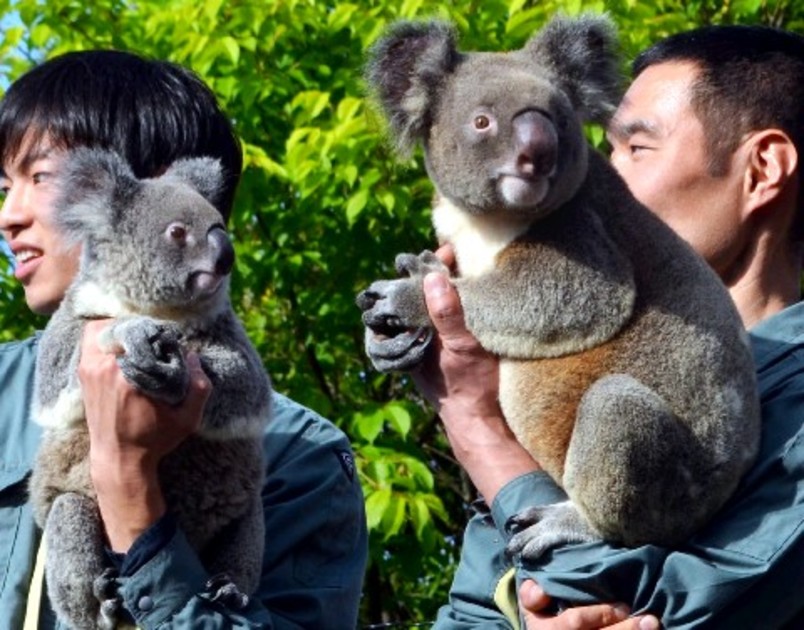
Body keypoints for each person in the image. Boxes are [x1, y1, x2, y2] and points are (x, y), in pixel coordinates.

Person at [416, 23, 804, 630]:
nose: (594, 166)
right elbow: (469, 609)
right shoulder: (563, 353)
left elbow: (672, 612)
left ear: (762, 169)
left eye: (636, 148)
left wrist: (478, 428)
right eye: (599, 144)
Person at [0, 50, 367, 629]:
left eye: (41, 177)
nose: (8, 215)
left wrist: (129, 484)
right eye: (4, 185)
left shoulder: (302, 457)